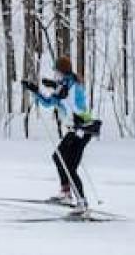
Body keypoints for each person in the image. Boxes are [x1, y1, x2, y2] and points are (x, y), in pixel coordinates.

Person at [21, 56, 101, 216]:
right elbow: (49, 102)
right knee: (58, 157)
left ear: (63, 72)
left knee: (70, 167)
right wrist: (35, 90)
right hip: (73, 130)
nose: (55, 75)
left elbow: (78, 106)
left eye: (57, 72)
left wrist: (60, 92)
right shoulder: (63, 86)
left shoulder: (75, 85)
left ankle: (82, 203)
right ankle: (66, 194)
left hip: (82, 130)